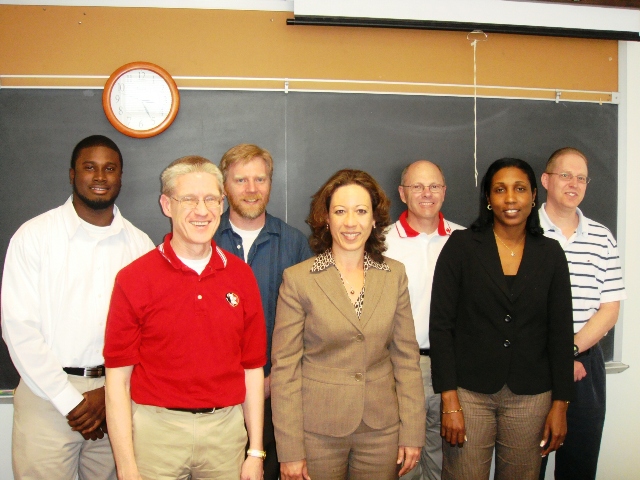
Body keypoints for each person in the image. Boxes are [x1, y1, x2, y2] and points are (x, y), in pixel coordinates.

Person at [103, 156, 267, 480]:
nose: (201, 211)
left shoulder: (241, 276)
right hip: (156, 434)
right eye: (189, 200)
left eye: (211, 199)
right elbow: (117, 381)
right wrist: (126, 466)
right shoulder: (134, 279)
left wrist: (256, 451)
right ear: (167, 205)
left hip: (225, 435)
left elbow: (252, 370)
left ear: (222, 204)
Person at [1, 135, 154, 479]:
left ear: (120, 177)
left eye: (109, 169)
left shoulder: (140, 245)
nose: (100, 176)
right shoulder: (34, 237)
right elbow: (18, 328)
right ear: (72, 174)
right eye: (89, 167)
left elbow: (151, 332)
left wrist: (108, 393)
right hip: (46, 399)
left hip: (116, 398)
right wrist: (70, 400)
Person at [271, 169, 426, 480]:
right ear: (326, 219)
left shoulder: (394, 275)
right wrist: (289, 450)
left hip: (381, 430)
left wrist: (412, 431)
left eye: (361, 211)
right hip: (317, 431)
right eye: (340, 211)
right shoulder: (299, 279)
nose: (351, 222)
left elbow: (407, 359)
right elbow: (285, 369)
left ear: (375, 219)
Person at [429, 158, 574, 480]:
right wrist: (449, 401)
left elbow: (561, 333)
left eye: (519, 189)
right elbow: (441, 326)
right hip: (469, 394)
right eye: (500, 190)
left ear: (533, 196)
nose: (510, 198)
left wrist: (560, 404)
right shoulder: (461, 246)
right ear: (488, 198)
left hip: (531, 395)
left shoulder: (551, 253)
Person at [214, 143, 312, 480]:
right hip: (214, 399)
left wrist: (274, 381)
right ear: (224, 186)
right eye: (240, 180)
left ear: (271, 183)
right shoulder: (205, 240)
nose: (251, 189)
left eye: (260, 179)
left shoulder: (295, 244)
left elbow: (310, 325)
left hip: (277, 395)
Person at [538, 147, 626, 480]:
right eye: (565, 175)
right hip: (532, 365)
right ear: (546, 180)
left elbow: (610, 308)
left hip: (585, 365)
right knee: (525, 466)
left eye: (581, 178)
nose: (573, 184)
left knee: (580, 468)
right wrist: (556, 357)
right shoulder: (523, 231)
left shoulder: (602, 237)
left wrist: (569, 350)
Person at [385, 160, 463, 480]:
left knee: (447, 464)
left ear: (444, 191)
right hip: (400, 367)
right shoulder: (381, 243)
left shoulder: (466, 240)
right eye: (417, 186)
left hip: (455, 369)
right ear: (402, 193)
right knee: (402, 463)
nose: (427, 193)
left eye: (434, 186)